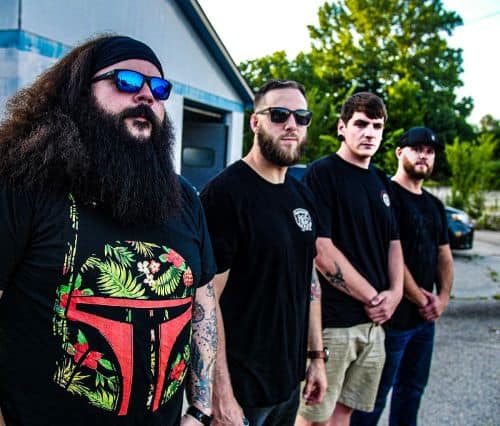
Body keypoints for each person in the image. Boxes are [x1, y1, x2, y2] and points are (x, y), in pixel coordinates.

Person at [0, 35, 217, 426]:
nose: (147, 94)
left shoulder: (184, 198)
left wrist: (200, 409)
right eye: (126, 81)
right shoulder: (23, 184)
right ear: (80, 93)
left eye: (159, 88)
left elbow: (202, 303)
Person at [200, 79, 327, 426]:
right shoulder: (224, 195)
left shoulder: (302, 195)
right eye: (279, 114)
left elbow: (309, 280)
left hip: (287, 385)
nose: (291, 125)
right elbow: (205, 300)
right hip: (241, 393)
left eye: (301, 117)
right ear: (255, 122)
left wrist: (316, 357)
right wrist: (220, 394)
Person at [296, 92, 404, 426]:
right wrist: (374, 298)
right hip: (334, 323)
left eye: (377, 126)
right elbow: (321, 250)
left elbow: (394, 242)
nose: (369, 132)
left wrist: (396, 293)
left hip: (374, 325)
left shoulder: (380, 179)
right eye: (360, 124)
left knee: (345, 414)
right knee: (312, 416)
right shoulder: (322, 174)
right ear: (342, 127)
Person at [351, 127, 454, 426]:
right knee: (371, 400)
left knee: (412, 392)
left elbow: (444, 255)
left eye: (430, 152)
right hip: (390, 322)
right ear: (399, 152)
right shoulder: (387, 196)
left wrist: (443, 299)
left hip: (424, 324)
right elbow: (390, 254)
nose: (424, 156)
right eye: (416, 149)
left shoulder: (434, 204)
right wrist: (422, 299)